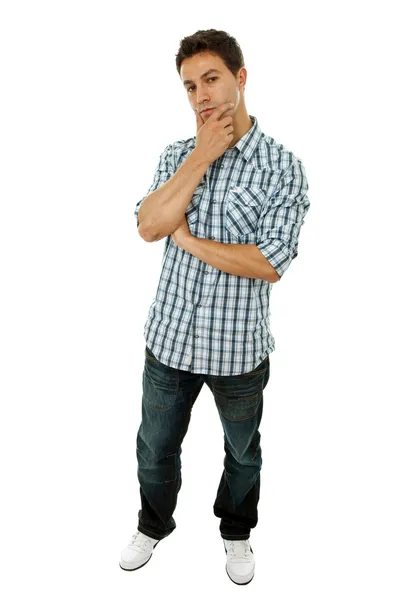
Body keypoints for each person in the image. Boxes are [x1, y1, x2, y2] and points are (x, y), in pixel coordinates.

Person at [120, 28, 310, 585]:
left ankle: (236, 533)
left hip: (239, 351)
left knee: (243, 453)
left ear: (240, 77)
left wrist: (189, 240)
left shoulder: (282, 166)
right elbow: (149, 226)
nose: (201, 95)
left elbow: (268, 262)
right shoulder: (176, 156)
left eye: (211, 79)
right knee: (154, 450)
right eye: (189, 86)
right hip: (170, 342)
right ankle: (152, 525)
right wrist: (200, 159)